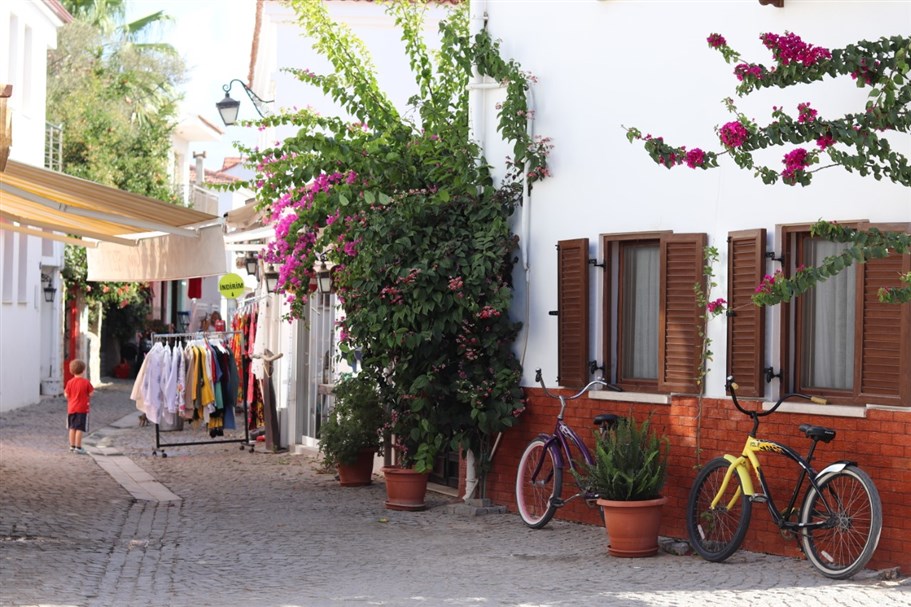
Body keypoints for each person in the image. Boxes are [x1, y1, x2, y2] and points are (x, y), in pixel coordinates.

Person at [65, 359, 94, 455]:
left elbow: (66, 394)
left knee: (72, 428)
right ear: (83, 370)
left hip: (71, 408)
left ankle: (72, 446)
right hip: (82, 409)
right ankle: (78, 446)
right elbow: (91, 393)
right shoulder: (86, 382)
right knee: (79, 428)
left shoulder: (69, 382)